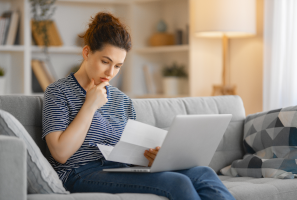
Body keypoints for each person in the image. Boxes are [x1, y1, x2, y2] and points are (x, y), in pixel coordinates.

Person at [42, 12, 236, 200]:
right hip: (78, 173)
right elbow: (60, 153)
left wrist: (153, 159)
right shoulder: (58, 92)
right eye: (105, 62)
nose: (110, 72)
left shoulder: (122, 101)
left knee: (204, 173)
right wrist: (90, 106)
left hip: (119, 169)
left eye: (118, 66)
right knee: (177, 183)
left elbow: (130, 152)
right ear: (87, 52)